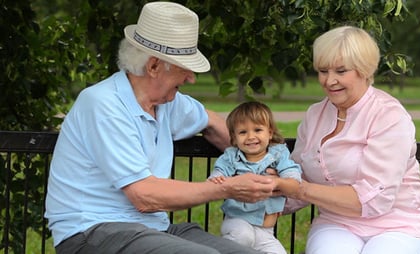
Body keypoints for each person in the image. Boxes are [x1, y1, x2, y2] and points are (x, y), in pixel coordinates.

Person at [44, 2, 276, 254]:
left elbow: (211, 122)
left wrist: (263, 165)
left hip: (152, 230)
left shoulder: (168, 102)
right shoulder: (103, 104)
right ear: (153, 66)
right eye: (183, 68)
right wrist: (226, 187)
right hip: (90, 232)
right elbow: (145, 196)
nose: (191, 78)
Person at [275, 26, 420, 253]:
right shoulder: (314, 115)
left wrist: (300, 189)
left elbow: (375, 200)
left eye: (341, 71)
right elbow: (297, 175)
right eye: (323, 71)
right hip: (336, 223)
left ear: (364, 69)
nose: (330, 81)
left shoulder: (388, 115)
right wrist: (264, 192)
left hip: (398, 225)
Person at [208, 101, 302, 254]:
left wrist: (278, 182)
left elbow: (294, 184)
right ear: (234, 137)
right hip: (236, 221)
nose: (251, 137)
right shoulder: (232, 157)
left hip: (265, 232)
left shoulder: (278, 155)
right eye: (243, 132)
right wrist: (216, 179)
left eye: (258, 130)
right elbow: (219, 173)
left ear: (270, 133)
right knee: (244, 237)